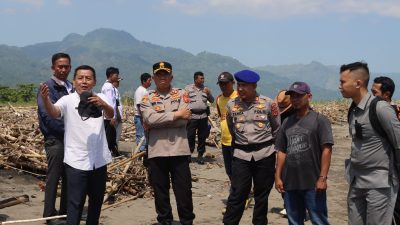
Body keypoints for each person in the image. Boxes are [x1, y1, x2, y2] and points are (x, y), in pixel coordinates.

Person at [39, 65, 113, 225]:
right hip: (76, 161)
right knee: (75, 203)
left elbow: (111, 115)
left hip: (99, 160)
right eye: (80, 78)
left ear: (94, 81)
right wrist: (46, 100)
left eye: (88, 78)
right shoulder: (68, 99)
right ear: (74, 81)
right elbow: (54, 112)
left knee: (96, 203)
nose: (84, 81)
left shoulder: (100, 97)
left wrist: (103, 105)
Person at [339, 62, 400, 225]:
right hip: (356, 181)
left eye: (343, 82)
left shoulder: (381, 108)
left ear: (358, 83)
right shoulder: (353, 109)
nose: (340, 86)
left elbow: (399, 144)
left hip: (379, 184)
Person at [140, 61, 195, 225]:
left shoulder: (182, 94)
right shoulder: (147, 97)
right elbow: (149, 118)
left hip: (180, 150)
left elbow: (184, 121)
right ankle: (165, 221)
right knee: (160, 191)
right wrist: (177, 114)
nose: (162, 77)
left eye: (165, 74)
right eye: (159, 74)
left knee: (183, 191)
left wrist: (159, 121)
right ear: (153, 77)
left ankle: (187, 221)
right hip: (157, 151)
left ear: (171, 76)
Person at [223, 69, 280, 225]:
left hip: (265, 154)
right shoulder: (231, 105)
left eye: (244, 85)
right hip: (241, 155)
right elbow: (231, 128)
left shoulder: (268, 103)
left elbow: (277, 129)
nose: (240, 89)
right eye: (239, 85)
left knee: (262, 196)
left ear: (254, 86)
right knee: (238, 194)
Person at [275, 82, 334, 225]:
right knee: (294, 221)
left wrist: (322, 178)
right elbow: (282, 150)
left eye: (299, 96)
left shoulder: (320, 121)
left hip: (312, 182)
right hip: (290, 182)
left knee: (319, 220)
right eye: (293, 96)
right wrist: (278, 177)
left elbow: (327, 149)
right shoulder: (287, 122)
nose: (295, 99)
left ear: (309, 96)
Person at [37, 52, 72, 225]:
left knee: (69, 176)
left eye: (66, 66)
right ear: (53, 68)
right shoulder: (47, 88)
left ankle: (65, 212)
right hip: (55, 139)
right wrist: (71, 129)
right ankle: (49, 215)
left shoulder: (71, 86)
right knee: (54, 176)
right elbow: (48, 116)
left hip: (70, 141)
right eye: (60, 66)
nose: (63, 69)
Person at [371, 76, 400, 225]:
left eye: (374, 92)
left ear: (386, 94)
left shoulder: (393, 113)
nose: (371, 96)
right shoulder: (372, 112)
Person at [274, 89, 296, 217]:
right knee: (282, 179)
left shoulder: (297, 115)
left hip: (294, 151)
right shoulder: (281, 116)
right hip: (282, 150)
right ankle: (289, 206)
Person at [185, 71, 214, 164]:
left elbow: (212, 100)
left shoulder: (206, 89)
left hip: (203, 116)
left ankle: (200, 155)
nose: (203, 80)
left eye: (203, 78)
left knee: (202, 136)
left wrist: (209, 94)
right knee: (190, 136)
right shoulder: (188, 88)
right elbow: (184, 101)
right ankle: (188, 154)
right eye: (201, 78)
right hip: (192, 116)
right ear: (195, 79)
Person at [215, 72, 237, 182]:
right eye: (221, 84)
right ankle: (236, 190)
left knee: (238, 169)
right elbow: (221, 117)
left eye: (225, 83)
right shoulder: (219, 99)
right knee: (229, 170)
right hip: (225, 140)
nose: (223, 86)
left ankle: (242, 194)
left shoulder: (239, 97)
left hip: (237, 141)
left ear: (233, 83)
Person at [101, 66, 121, 157]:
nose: (117, 77)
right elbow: (110, 102)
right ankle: (107, 156)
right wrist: (112, 117)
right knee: (109, 137)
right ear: (111, 75)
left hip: (109, 116)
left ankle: (113, 153)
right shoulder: (108, 87)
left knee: (112, 136)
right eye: (116, 75)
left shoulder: (109, 86)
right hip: (109, 117)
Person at [134, 73, 152, 152]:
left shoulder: (145, 91)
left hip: (144, 117)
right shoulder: (140, 91)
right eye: (149, 80)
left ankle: (144, 153)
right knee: (141, 135)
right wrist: (143, 118)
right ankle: (140, 152)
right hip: (140, 117)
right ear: (144, 81)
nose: (150, 82)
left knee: (145, 135)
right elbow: (139, 105)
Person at [112, 77, 123, 143]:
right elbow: (115, 103)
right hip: (116, 115)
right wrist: (118, 115)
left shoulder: (115, 90)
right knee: (116, 133)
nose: (118, 83)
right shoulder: (114, 90)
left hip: (115, 115)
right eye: (117, 81)